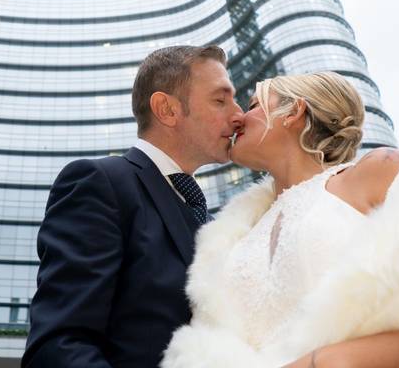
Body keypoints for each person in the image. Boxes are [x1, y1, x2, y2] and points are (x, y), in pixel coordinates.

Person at [162, 72, 399, 367]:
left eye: (253, 105)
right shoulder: (229, 241)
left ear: (293, 112)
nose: (238, 117)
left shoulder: (374, 173)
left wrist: (325, 361)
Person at [22, 45, 243, 368]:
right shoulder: (101, 183)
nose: (237, 114)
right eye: (220, 100)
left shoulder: (205, 217)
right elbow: (58, 345)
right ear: (166, 109)